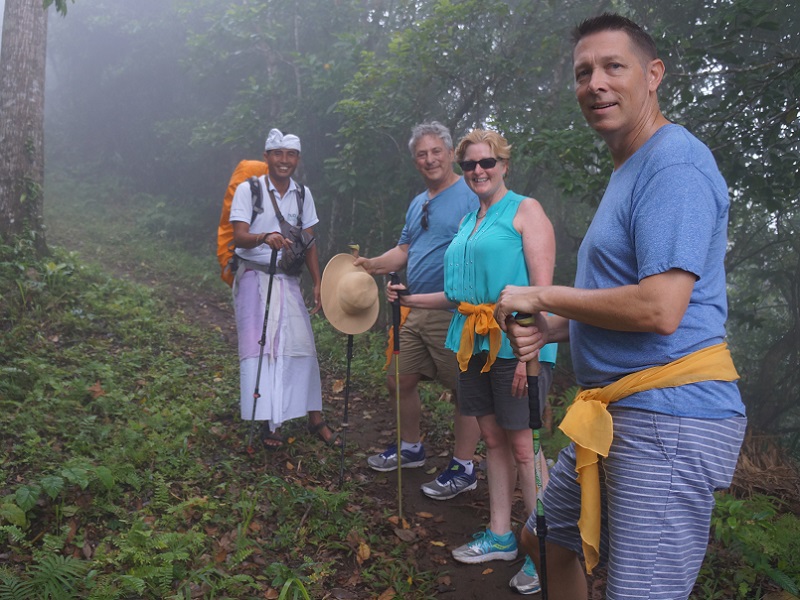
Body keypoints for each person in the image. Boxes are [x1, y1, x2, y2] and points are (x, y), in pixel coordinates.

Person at [494, 14, 747, 600]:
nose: (595, 83)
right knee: (545, 541)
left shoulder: (673, 164)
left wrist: (542, 294)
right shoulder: (631, 167)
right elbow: (621, 304)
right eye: (584, 72)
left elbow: (660, 309)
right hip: (619, 414)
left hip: (668, 416)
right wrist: (551, 329)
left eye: (614, 66)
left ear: (653, 74)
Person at [388, 129, 556, 595]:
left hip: (516, 346)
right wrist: (409, 299)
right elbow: (459, 296)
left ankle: (546, 549)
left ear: (504, 164)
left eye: (487, 163)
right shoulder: (468, 223)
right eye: (470, 166)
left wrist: (531, 355)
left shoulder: (526, 211)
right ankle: (501, 534)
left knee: (525, 448)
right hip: (473, 343)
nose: (478, 171)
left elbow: (541, 293)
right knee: (492, 441)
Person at [353, 121, 483, 501]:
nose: (430, 159)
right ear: (415, 161)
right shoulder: (418, 202)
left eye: (436, 151)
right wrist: (371, 264)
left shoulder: (469, 193)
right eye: (422, 155)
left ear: (449, 153)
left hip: (454, 309)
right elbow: (405, 251)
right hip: (413, 307)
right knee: (399, 379)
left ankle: (464, 468)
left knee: (465, 392)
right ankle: (411, 449)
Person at [230, 128, 338, 449]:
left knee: (302, 344)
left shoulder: (302, 194)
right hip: (254, 276)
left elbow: (309, 240)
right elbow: (239, 236)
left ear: (297, 159)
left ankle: (313, 416)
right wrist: (264, 237)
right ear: (266, 157)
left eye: (290, 155)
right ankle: (270, 422)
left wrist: (318, 281)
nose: (284, 161)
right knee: (262, 348)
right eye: (277, 154)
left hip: (287, 279)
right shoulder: (250, 190)